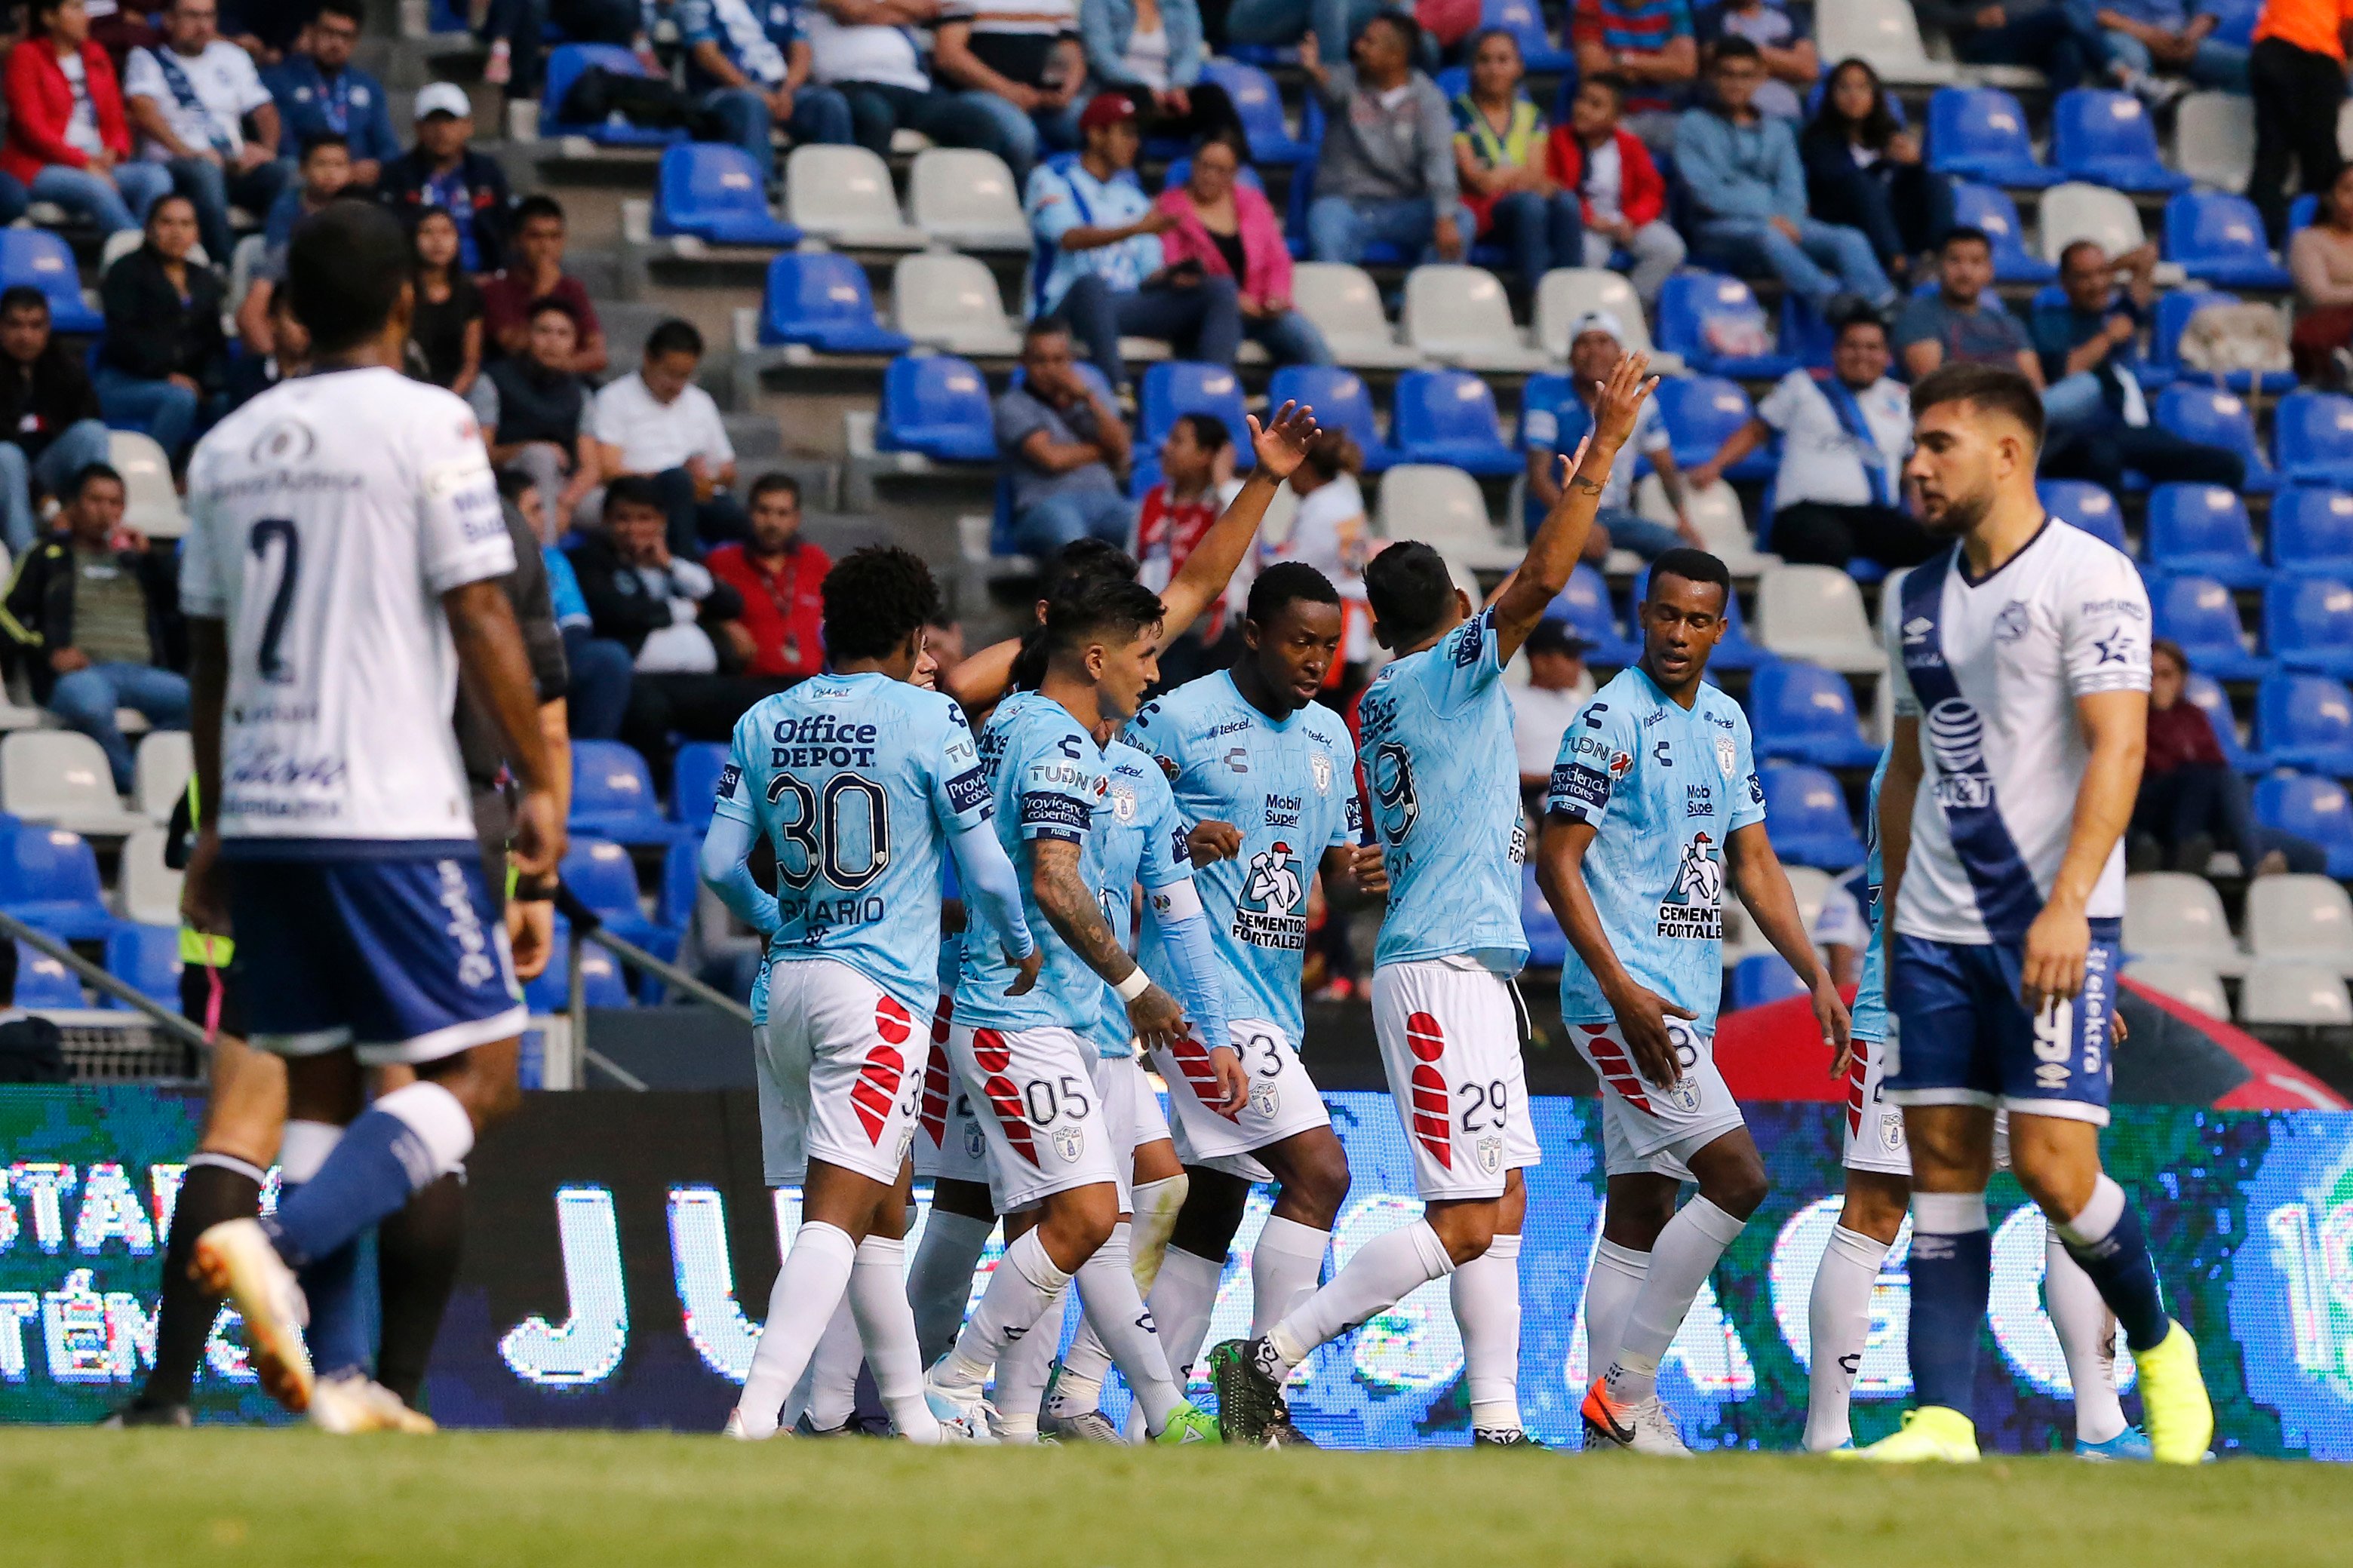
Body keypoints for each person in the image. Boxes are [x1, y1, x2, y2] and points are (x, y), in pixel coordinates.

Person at [1208, 352, 1660, 1449]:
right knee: (1463, 1218)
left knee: (1498, 1209)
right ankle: (1262, 1354)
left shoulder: (1378, 702)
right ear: (1459, 613)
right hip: (1437, 970)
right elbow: (1542, 585)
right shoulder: (1441, 674)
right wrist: (1596, 457)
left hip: (1469, 965)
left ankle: (1499, 1423)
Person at [178, 201, 561, 1435]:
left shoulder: (227, 447)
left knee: (323, 1088)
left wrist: (220, 822)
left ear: (285, 307)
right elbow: (483, 611)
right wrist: (535, 780)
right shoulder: (426, 422)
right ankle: (273, 1243)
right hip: (389, 807)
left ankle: (336, 1380)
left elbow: (210, 661)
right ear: (407, 303)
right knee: (483, 1070)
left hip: (270, 809)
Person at [1845, 360, 2213, 1465]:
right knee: (1941, 1174)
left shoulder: (2090, 578)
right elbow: (1905, 769)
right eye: (1912, 443)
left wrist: (2064, 908)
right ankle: (1940, 1419)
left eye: (1937, 443)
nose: (1914, 462)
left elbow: (2121, 742)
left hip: (2048, 925)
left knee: (2053, 1172)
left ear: (2006, 453)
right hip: (1932, 935)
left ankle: (2157, 1345)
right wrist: (1895, 916)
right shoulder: (1909, 598)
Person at [699, 545, 1040, 1443]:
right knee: (839, 1212)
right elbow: (990, 872)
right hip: (878, 992)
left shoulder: (763, 718)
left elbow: (714, 865)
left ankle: (907, 1420)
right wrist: (1014, 944)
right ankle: (756, 1413)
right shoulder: (931, 721)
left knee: (883, 1213)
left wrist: (780, 914)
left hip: (787, 984)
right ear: (913, 635)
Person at [1538, 546, 1846, 1454]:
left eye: (1696, 620)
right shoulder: (1606, 719)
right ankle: (1624, 1394)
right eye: (1664, 615)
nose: (1678, 633)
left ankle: (1609, 1431)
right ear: (1643, 616)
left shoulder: (1724, 721)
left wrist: (1814, 975)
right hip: (1625, 1005)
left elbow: (1752, 863)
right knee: (1739, 1178)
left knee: (1639, 1208)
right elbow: (1555, 862)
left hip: (1680, 1005)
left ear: (1720, 628)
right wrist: (1621, 990)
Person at [920, 573, 1229, 1447]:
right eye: (1144, 656)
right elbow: (1055, 878)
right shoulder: (1056, 743)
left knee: (1085, 1219)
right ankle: (953, 1382)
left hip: (1037, 1014)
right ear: (1095, 658)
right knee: (1084, 1217)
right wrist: (1140, 990)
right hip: (1022, 1016)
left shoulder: (1017, 723)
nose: (1154, 676)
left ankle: (1018, 1419)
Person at [1803, 747, 2152, 1459]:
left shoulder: (1944, 751)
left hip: (1998, 1007)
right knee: (1876, 1213)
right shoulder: (1924, 756)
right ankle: (1825, 1435)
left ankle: (2100, 1425)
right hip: (1929, 1010)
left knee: (2068, 1199)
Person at [1116, 564, 1384, 1444]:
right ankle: (1261, 1396)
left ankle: (1165, 1414)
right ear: (1254, 632)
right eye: (1300, 641)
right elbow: (1109, 831)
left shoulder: (1331, 740)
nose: (1316, 660)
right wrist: (1180, 838)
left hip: (1274, 1003)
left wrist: (1354, 882)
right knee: (1320, 1174)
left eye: (1329, 645)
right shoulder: (1177, 716)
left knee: (1211, 1209)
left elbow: (1333, 878)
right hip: (1199, 1002)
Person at [1691, 307, 1939, 569]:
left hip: (1875, 517)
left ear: (1886, 356)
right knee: (1827, 544)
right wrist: (1715, 465)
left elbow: (1911, 468)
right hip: (1805, 513)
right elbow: (1756, 430)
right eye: (1852, 346)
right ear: (1836, 351)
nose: (1862, 355)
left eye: (1872, 347)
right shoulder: (1803, 385)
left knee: (1937, 547)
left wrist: (1927, 514)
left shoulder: (1902, 399)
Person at [1031, 92, 1242, 394]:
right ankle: (1120, 391)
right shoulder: (1052, 179)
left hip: (1125, 305)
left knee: (1218, 289)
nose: (1135, 143)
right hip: (1064, 308)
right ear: (1096, 134)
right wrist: (1137, 228)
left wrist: (1172, 277)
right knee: (1092, 285)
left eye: (1137, 135)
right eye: (1126, 134)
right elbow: (1068, 238)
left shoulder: (1132, 195)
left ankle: (1211, 394)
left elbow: (1147, 274)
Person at [2, 463, 186, 793]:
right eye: (95, 500)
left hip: (143, 674)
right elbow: (6, 615)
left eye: (115, 503)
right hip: (82, 675)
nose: (106, 512)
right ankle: (138, 786)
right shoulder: (48, 556)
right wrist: (48, 652)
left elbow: (183, 609)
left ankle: (149, 769)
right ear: (73, 507)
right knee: (90, 704)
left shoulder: (138, 560)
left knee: (201, 704)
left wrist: (151, 561)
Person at [1677, 38, 1895, 315]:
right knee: (1768, 236)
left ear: (1761, 78)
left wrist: (1789, 219)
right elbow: (1705, 192)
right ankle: (1832, 302)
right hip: (1719, 228)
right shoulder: (1692, 125)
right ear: (1712, 76)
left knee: (1848, 238)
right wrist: (1769, 217)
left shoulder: (1777, 129)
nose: (1736, 83)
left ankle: (1884, 305)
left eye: (1745, 75)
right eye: (1727, 74)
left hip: (1782, 223)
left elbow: (1792, 184)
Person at [2035, 239, 2244, 494]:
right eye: (2084, 277)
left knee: (2227, 465)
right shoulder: (2050, 321)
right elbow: (2068, 372)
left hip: (2132, 431)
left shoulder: (2119, 312)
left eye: (2101, 274)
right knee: (2103, 457)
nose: (2097, 284)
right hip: (2082, 431)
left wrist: (2109, 268)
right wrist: (2109, 337)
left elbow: (2147, 256)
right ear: (2065, 282)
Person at [2133, 638, 2325, 876]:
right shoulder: (2135, 717)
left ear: (2181, 679)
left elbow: (2216, 763)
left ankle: (2267, 884)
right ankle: (2254, 863)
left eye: (2166, 675)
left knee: (2311, 856)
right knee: (2208, 776)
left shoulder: (2194, 716)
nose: (2158, 683)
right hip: (2160, 812)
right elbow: (2154, 767)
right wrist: (2160, 714)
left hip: (2206, 816)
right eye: (2152, 676)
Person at [124, 0, 287, 270]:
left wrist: (266, 149)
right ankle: (228, 267)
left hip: (234, 164)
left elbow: (264, 109)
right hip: (178, 165)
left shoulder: (232, 56)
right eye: (192, 16)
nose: (203, 26)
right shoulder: (147, 58)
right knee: (204, 171)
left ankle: (273, 267)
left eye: (209, 16)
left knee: (285, 171)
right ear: (169, 21)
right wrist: (187, 151)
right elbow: (143, 110)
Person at [1302, 17, 1476, 268]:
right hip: (1346, 205)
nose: (1359, 47)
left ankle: (1415, 302)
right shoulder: (1348, 81)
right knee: (1324, 219)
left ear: (1395, 57)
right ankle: (1341, 304)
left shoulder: (1428, 99)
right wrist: (1314, 69)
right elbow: (1329, 86)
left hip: (1405, 207)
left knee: (1461, 220)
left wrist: (1444, 217)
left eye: (1369, 42)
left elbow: (1438, 159)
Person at [1152, 130, 1333, 369]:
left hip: (1262, 310)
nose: (1209, 176)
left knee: (1309, 342)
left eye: (1220, 170)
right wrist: (1236, 301)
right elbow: (1179, 269)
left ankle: (1319, 403)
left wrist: (1276, 297)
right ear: (1193, 165)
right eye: (1204, 166)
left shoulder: (1253, 203)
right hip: (1209, 312)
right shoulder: (1170, 208)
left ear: (1234, 173)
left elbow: (1278, 260)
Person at [1522, 309, 1694, 560]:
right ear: (1570, 354)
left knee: (1682, 553)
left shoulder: (1639, 399)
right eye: (1583, 343)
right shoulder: (1546, 394)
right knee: (1587, 551)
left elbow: (1665, 465)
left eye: (1603, 342)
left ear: (1618, 352)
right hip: (1553, 511)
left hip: (1612, 515)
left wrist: (1683, 518)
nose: (1593, 352)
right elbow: (1538, 476)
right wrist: (1577, 521)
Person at [2, 0, 171, 236]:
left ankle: (142, 253)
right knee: (96, 188)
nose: (87, 17)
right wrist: (84, 163)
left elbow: (115, 118)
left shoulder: (96, 53)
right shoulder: (26, 56)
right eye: (76, 8)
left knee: (155, 177)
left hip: (97, 162)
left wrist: (114, 150)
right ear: (49, 17)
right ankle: (135, 254)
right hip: (42, 166)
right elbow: (32, 129)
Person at [798, 0, 1025, 173]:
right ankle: (868, 201)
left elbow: (931, 6)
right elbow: (854, 10)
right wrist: (898, 10)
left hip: (911, 86)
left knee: (977, 122)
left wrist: (875, 9)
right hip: (851, 84)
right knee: (874, 117)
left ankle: (963, 206)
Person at [587, 318, 745, 555]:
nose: (677, 385)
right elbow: (609, 470)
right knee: (677, 481)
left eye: (686, 376)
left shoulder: (700, 402)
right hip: (644, 495)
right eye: (670, 374)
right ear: (648, 359)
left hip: (698, 495)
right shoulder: (614, 399)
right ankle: (684, 567)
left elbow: (728, 471)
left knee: (758, 524)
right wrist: (670, 477)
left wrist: (708, 479)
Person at [94, 194, 227, 465]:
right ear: (149, 228)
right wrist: (165, 374)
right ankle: (152, 476)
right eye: (167, 223)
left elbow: (214, 342)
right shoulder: (125, 272)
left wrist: (209, 383)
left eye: (186, 224)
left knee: (226, 402)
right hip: (123, 381)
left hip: (187, 383)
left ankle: (200, 478)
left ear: (197, 233)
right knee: (179, 400)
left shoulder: (204, 280)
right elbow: (123, 338)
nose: (177, 232)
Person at [1450, 30, 1582, 299]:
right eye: (1484, 60)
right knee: (1530, 205)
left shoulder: (1532, 116)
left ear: (1518, 67)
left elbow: (1535, 174)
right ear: (1473, 67)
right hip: (1480, 211)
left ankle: (1571, 298)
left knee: (1567, 202)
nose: (1493, 69)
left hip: (1519, 203)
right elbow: (1477, 180)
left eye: (1503, 60)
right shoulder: (1457, 112)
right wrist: (1511, 177)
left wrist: (1498, 174)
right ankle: (1537, 300)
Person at [1801, 57, 1954, 285]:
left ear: (1874, 95)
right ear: (1831, 95)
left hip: (1889, 218)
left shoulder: (1888, 133)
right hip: (1846, 220)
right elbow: (1841, 180)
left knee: (1936, 180)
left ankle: (1940, 257)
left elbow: (1904, 186)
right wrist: (1883, 163)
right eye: (1844, 88)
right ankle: (1897, 265)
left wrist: (1914, 165)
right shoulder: (1818, 137)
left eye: (1862, 88)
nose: (1854, 95)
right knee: (1863, 184)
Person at [506, 468, 633, 741]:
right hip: (504, 660)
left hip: (554, 655)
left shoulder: (553, 559)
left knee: (607, 659)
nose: (544, 518)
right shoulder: (487, 568)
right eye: (535, 510)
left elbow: (576, 623)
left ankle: (588, 760)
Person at [996, 317, 1137, 555]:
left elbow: (1123, 451)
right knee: (1078, 546)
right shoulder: (1012, 405)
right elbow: (1053, 459)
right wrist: (1103, 451)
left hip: (1106, 500)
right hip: (1046, 505)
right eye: (1040, 361)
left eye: (1058, 360)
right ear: (1024, 362)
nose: (1050, 370)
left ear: (1071, 360)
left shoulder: (1090, 398)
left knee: (1147, 531)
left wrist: (1089, 400)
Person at [680, 0, 855, 186]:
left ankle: (834, 186)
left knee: (828, 103)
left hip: (779, 89)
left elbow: (802, 50)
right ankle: (760, 187)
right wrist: (753, 90)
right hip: (721, 92)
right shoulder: (698, 3)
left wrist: (787, 91)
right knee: (750, 104)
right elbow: (707, 54)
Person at [1545, 74, 1685, 303]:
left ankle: (1633, 308)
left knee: (1669, 248)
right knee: (1588, 256)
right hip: (1584, 225)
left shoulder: (1629, 145)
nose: (1583, 109)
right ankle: (1589, 312)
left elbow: (1652, 191)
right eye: (1581, 100)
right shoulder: (1559, 141)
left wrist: (1631, 219)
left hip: (1625, 221)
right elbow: (1554, 189)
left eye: (1596, 105)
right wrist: (1590, 218)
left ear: (1616, 117)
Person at [0, 285, 112, 557]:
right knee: (7, 456)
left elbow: (89, 418)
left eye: (35, 326)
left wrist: (69, 504)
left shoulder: (66, 367)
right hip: (7, 476)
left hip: (48, 471)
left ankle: (93, 539)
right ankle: (27, 561)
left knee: (92, 433)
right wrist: (47, 504)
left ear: (48, 328)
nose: (25, 336)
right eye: (15, 325)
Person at [469, 298, 598, 533]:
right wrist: (527, 447)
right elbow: (479, 454)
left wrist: (565, 504)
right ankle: (546, 563)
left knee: (619, 508)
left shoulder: (580, 393)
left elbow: (590, 468)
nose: (552, 341)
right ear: (528, 335)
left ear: (574, 343)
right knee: (541, 456)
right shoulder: (492, 382)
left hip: (563, 490)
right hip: (508, 486)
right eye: (544, 331)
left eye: (563, 334)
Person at [935, 0, 1086, 187]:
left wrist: (1063, 89)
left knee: (1090, 122)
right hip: (978, 94)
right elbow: (950, 55)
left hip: (1043, 101)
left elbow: (1070, 48)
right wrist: (1008, 90)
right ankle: (1021, 204)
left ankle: (1080, 200)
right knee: (1019, 135)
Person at [703, 472, 833, 683]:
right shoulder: (720, 562)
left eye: (782, 514)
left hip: (812, 689)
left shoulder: (816, 560)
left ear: (796, 519)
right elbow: (696, 611)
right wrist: (721, 625)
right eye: (764, 511)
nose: (772, 523)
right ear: (749, 513)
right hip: (748, 688)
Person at [377, 82, 516, 278]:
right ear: (418, 127)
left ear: (468, 126)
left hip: (484, 280)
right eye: (433, 122)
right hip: (417, 283)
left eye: (450, 121)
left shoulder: (487, 172)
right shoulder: (397, 175)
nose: (442, 131)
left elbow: (504, 228)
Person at [2247, 0, 2353, 247]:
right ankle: (2319, 237)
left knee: (2272, 151)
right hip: (2317, 56)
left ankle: (2263, 236)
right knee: (2320, 155)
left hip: (2272, 48)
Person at [232, 130, 349, 352]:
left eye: (339, 165)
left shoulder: (361, 208)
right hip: (293, 292)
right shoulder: (286, 207)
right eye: (322, 164)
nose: (331, 173)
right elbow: (276, 261)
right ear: (303, 169)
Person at [261, 0, 395, 189]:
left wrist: (377, 166)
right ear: (310, 32)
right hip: (306, 183)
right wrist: (329, 171)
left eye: (346, 36)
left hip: (360, 184)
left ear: (355, 41)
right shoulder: (278, 81)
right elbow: (284, 145)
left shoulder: (368, 86)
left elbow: (388, 146)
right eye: (329, 33)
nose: (337, 43)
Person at [1077, 0, 1243, 146]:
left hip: (1169, 93)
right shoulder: (1098, 3)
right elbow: (1101, 56)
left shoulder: (1182, 3)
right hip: (1122, 90)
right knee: (1140, 99)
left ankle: (1239, 170)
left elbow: (1191, 52)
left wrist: (1179, 86)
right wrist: (1145, 88)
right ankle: (1131, 174)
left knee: (1214, 99)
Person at [1894, 226, 2041, 385]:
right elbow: (1933, 390)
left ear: (1989, 270)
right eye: (1955, 260)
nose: (1965, 272)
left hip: (2012, 406)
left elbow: (2035, 388)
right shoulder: (1918, 318)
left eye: (1976, 262)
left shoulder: (2009, 323)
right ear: (1938, 266)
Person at [478, 195, 606, 376]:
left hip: (562, 382)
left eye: (554, 237)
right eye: (535, 237)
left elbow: (598, 356)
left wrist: (558, 366)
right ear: (516, 241)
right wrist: (542, 290)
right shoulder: (495, 290)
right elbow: (514, 347)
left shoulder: (572, 288)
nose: (546, 246)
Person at [1571, 0, 1698, 149]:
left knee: (1699, 135)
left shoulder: (1674, 4)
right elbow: (1592, 69)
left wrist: (1623, 60)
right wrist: (1660, 63)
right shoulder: (1590, 4)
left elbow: (1686, 68)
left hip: (1666, 115)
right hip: (1612, 118)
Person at [1912, 0, 2111, 90]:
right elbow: (1925, 8)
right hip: (1985, 42)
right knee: (2064, 16)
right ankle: (2115, 68)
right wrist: (1972, 19)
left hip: (2036, 37)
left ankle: (2058, 132)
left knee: (2068, 50)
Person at [1511, 615, 1593, 818]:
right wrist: (1558, 778)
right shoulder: (1510, 702)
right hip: (1530, 803)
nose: (1580, 665)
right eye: (1570, 656)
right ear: (1540, 662)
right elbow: (1495, 773)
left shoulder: (1581, 705)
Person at [2092, 0, 2252, 98]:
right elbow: (2094, 13)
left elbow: (2209, 8)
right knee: (2135, 60)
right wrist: (2147, 35)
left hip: (2178, 40)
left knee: (2249, 68)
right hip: (2125, 34)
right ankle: (2141, 139)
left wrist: (2190, 38)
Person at [1694, 0, 1817, 120]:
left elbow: (1807, 69)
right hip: (1732, 120)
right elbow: (1717, 59)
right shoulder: (1710, 16)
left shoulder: (1786, 14)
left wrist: (1746, 47)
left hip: (1787, 115)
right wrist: (1784, 60)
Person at [407, 206, 483, 394]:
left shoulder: (468, 292)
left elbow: (471, 363)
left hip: (454, 390)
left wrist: (448, 399)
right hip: (409, 388)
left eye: (446, 232)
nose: (437, 241)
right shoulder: (402, 291)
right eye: (427, 232)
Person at [2292, 160, 2353, 382]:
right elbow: (2319, 295)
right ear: (2329, 196)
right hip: (2324, 331)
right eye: (2348, 190)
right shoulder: (2308, 241)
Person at [226, 279, 309, 406]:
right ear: (273, 322)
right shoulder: (244, 374)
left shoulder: (327, 377)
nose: (305, 328)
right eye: (297, 319)